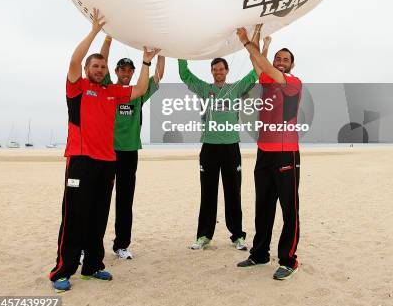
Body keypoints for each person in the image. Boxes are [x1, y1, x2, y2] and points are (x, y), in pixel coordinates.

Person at [49, 9, 159, 292]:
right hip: (80, 160)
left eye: (102, 67)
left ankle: (93, 265)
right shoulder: (77, 88)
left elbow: (140, 89)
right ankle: (63, 270)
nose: (99, 70)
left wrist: (146, 61)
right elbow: (74, 59)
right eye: (94, 66)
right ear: (87, 70)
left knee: (99, 215)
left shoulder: (112, 92)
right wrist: (95, 31)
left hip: (107, 161)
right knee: (74, 215)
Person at [178, 29, 259, 251]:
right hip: (210, 149)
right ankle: (204, 236)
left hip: (231, 148)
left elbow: (256, 72)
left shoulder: (235, 89)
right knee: (208, 194)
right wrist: (178, 48)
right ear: (212, 72)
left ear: (226, 70)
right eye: (214, 70)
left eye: (221, 69)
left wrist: (257, 44)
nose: (218, 72)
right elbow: (185, 75)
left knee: (233, 194)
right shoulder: (205, 89)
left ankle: (237, 237)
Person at [236, 26, 302, 280]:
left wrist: (245, 41)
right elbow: (258, 63)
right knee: (263, 206)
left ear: (291, 66)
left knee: (289, 208)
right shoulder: (267, 79)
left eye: (286, 60)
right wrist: (255, 41)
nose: (281, 62)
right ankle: (260, 253)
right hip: (264, 152)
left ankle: (288, 260)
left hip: (286, 153)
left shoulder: (293, 83)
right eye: (278, 58)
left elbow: (263, 64)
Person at [99, 36, 165, 259]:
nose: (126, 73)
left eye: (129, 70)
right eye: (122, 70)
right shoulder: (108, 87)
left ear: (133, 72)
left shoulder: (139, 92)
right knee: (100, 200)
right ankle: (91, 245)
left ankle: (121, 245)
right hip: (107, 153)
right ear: (116, 72)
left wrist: (164, 47)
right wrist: (108, 36)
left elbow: (158, 75)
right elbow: (102, 60)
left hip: (129, 153)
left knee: (125, 201)